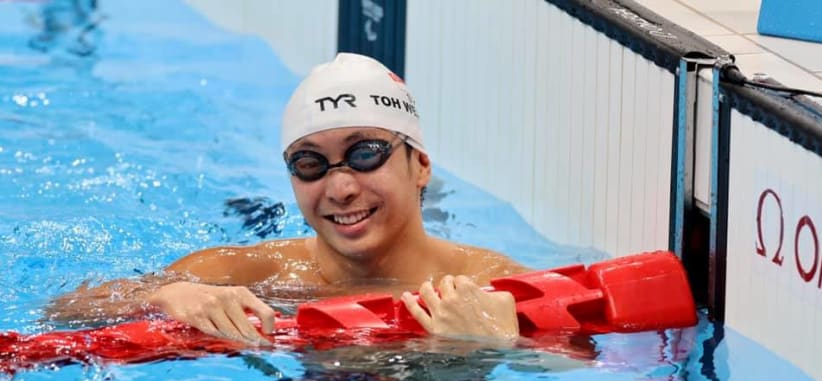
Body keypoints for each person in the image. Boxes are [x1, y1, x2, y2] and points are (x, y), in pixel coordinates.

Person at [48, 53, 529, 345]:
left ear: (421, 165)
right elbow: (63, 309)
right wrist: (163, 295)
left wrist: (495, 346)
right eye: (310, 164)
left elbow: (584, 372)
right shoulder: (253, 275)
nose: (340, 188)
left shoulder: (491, 283)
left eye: (365, 155)